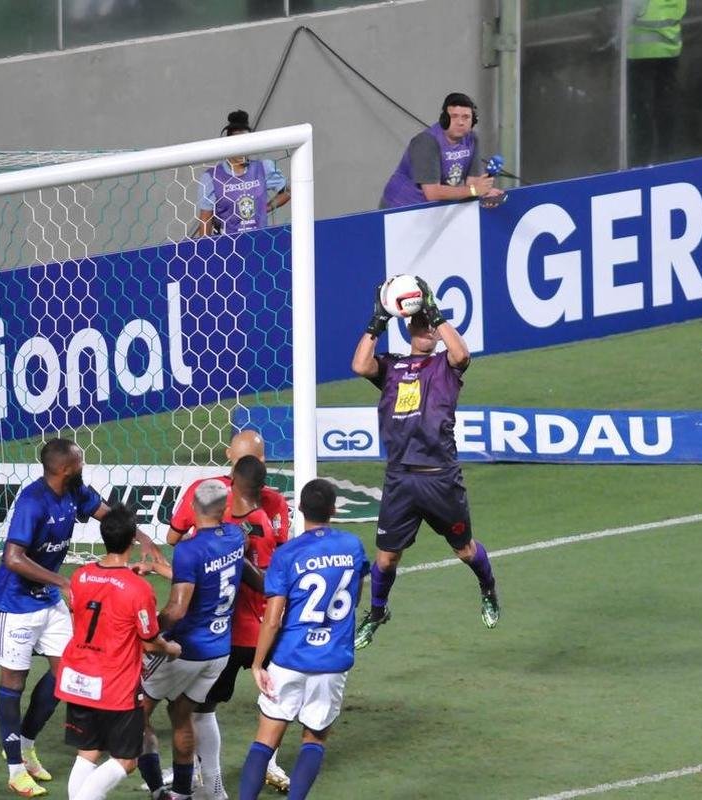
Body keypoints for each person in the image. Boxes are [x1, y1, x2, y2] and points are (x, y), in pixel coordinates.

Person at [0, 438, 165, 797]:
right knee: (13, 683)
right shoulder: (32, 502)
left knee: (65, 673)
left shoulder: (75, 489)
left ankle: (27, 743)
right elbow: (13, 558)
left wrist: (142, 537)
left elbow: (107, 514)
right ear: (64, 467)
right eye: (79, 460)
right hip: (13, 602)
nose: (84, 463)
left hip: (47, 598)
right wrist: (62, 581)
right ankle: (15, 767)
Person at [350, 278, 500, 649]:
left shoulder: (445, 366)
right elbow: (359, 365)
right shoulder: (392, 367)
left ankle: (488, 587)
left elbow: (462, 354)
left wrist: (435, 312)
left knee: (464, 550)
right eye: (423, 324)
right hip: (400, 478)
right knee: (385, 560)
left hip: (440, 476)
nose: (429, 330)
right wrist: (378, 320)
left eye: (432, 325)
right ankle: (378, 611)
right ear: (408, 327)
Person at [236, 479, 369, 800]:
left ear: (299, 509)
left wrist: (258, 663)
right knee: (315, 739)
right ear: (335, 510)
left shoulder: (288, 555)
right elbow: (356, 591)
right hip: (332, 661)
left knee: (265, 741)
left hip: (289, 658)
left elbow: (273, 618)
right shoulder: (352, 546)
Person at [169, 455, 284, 799]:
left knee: (196, 709)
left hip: (230, 633)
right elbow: (265, 580)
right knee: (272, 706)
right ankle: (265, 766)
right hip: (263, 630)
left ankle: (206, 783)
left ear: (232, 480)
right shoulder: (259, 522)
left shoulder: (231, 531)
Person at [57, 504, 182, 800]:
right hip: (115, 685)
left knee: (87, 753)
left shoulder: (80, 576)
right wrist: (172, 648)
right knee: (126, 760)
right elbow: (150, 642)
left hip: (78, 677)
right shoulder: (137, 590)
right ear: (132, 542)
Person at [136, 479, 245, 800]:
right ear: (225, 508)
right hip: (219, 651)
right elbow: (206, 576)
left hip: (186, 650)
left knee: (135, 713)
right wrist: (158, 568)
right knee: (181, 715)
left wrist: (149, 634)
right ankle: (183, 793)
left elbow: (178, 608)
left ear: (193, 508)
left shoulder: (189, 548)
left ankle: (158, 789)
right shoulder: (236, 537)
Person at [379, 92, 504, 209]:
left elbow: (472, 182)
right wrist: (474, 190)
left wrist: (484, 191)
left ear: (473, 121)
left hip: (434, 210)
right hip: (400, 207)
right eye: (454, 116)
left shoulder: (472, 139)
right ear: (444, 119)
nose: (460, 122)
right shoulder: (426, 142)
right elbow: (432, 193)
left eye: (466, 117)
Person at [194, 110, 290, 238]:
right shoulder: (212, 178)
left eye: (246, 143)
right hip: (227, 247)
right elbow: (206, 221)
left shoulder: (263, 168)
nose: (242, 149)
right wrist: (206, 252)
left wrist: (267, 207)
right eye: (237, 144)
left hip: (259, 243)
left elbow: (288, 191)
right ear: (228, 144)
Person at [626, 0, 685, 167]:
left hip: (641, 52)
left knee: (640, 109)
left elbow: (628, 12)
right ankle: (666, 155)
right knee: (665, 104)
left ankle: (640, 160)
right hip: (669, 45)